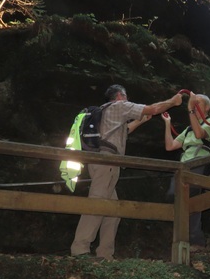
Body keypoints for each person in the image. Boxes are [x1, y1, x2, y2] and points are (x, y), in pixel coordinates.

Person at [71, 84, 183, 260]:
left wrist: (141, 120)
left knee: (114, 210)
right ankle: (80, 249)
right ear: (120, 96)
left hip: (105, 162)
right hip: (107, 160)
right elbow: (154, 108)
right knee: (98, 202)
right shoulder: (119, 106)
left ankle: (105, 253)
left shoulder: (106, 111)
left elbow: (125, 130)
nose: (128, 99)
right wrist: (173, 101)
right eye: (126, 96)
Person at [162, 92, 210, 249]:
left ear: (207, 107)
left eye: (198, 102)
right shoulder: (188, 130)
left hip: (199, 163)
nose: (194, 104)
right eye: (194, 102)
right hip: (183, 166)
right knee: (174, 196)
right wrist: (168, 124)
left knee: (191, 198)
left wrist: (189, 109)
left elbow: (200, 134)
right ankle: (185, 238)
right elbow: (170, 146)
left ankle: (196, 240)